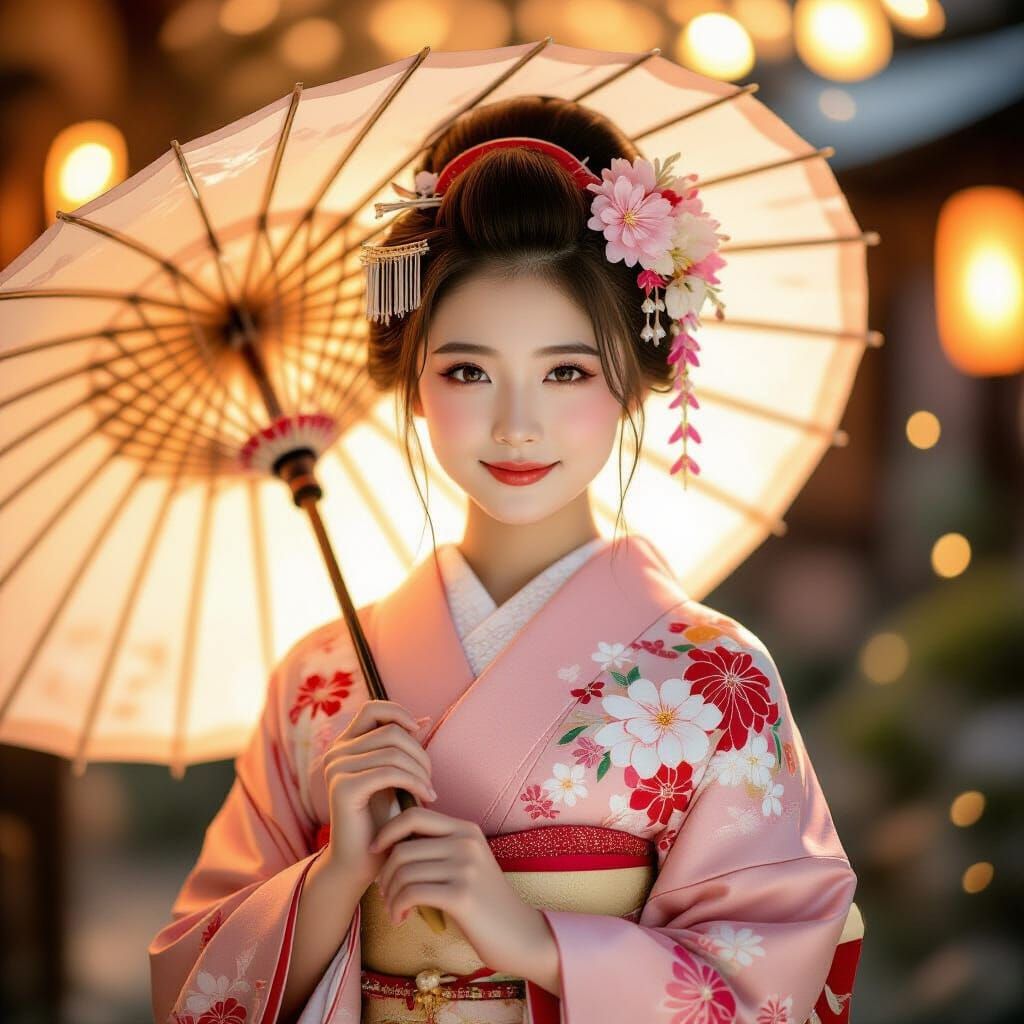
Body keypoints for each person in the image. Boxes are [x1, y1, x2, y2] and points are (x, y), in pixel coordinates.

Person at [149, 95, 861, 1024]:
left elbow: (771, 990)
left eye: (566, 371)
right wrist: (333, 878)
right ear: (412, 383)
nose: (516, 423)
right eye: (467, 371)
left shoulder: (718, 681)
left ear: (634, 382)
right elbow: (190, 981)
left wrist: (531, 940)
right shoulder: (318, 682)